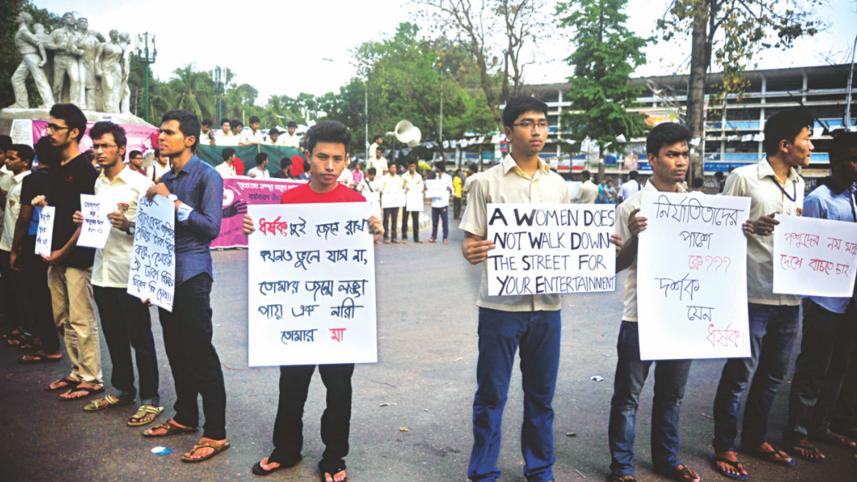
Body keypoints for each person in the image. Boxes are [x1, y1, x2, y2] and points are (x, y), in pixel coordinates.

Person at [241, 120, 383, 481]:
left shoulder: (356, 203)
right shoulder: (290, 200)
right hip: (298, 317)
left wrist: (374, 233)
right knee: (292, 387)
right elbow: (279, 253)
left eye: (337, 158)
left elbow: (360, 258)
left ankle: (334, 457)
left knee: (339, 391)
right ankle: (285, 450)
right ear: (308, 156)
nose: (330, 166)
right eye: (322, 157)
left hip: (339, 317)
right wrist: (256, 231)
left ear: (347, 159)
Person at [459, 97, 570, 482]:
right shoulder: (485, 183)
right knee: (491, 395)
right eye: (526, 123)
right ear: (508, 132)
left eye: (542, 123)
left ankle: (540, 468)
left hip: (548, 308)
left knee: (542, 398)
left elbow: (567, 240)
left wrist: (595, 247)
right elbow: (471, 242)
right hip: (499, 307)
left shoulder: (558, 185)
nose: (537, 131)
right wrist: (471, 250)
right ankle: (483, 470)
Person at [712, 107, 814, 480]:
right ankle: (724, 443)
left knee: (774, 374)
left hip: (790, 296)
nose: (811, 144)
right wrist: (750, 227)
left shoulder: (800, 182)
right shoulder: (744, 178)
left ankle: (755, 438)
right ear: (785, 144)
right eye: (806, 138)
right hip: (752, 294)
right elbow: (718, 230)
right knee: (740, 373)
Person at [608, 123, 702, 482]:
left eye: (684, 153)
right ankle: (622, 468)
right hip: (640, 316)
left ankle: (667, 459)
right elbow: (615, 264)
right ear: (652, 159)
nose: (681, 161)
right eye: (672, 154)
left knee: (672, 395)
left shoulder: (698, 205)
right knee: (628, 398)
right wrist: (635, 235)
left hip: (682, 315)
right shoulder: (632, 206)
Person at [140, 110, 229, 464]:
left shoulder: (207, 177)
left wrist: (172, 203)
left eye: (168, 133)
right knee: (175, 350)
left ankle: (216, 432)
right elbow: (158, 235)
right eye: (160, 132)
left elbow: (210, 227)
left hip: (192, 274)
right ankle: (186, 415)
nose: (161, 137)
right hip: (164, 276)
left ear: (189, 139)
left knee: (199, 351)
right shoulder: (165, 177)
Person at [71, 121, 163, 427]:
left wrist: (129, 226)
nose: (98, 151)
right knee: (114, 336)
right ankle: (123, 389)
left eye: (104, 146)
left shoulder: (140, 184)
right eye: (95, 146)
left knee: (140, 339)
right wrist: (84, 219)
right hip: (102, 272)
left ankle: (150, 400)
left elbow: (157, 233)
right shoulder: (98, 183)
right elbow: (98, 225)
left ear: (121, 149)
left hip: (131, 275)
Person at [781, 128, 857, 461]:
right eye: (854, 161)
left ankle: (822, 425)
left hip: (850, 300)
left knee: (840, 365)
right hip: (823, 302)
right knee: (813, 366)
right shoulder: (818, 199)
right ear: (837, 161)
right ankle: (796, 432)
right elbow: (806, 254)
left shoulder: (854, 196)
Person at [31, 103, 102, 401]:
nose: (49, 133)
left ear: (73, 132)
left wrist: (63, 250)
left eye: (55, 127)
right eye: (48, 127)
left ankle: (92, 377)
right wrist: (43, 207)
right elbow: (62, 211)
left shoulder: (86, 169)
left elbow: (88, 219)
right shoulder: (57, 168)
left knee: (81, 318)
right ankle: (76, 370)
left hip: (77, 256)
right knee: (62, 317)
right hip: (53, 254)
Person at [11, 138, 60, 363]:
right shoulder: (63, 177)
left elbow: (24, 217)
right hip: (59, 242)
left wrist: (15, 248)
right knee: (54, 295)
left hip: (35, 242)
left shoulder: (33, 180)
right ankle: (48, 341)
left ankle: (48, 346)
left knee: (38, 294)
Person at [0, 144, 32, 355]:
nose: (7, 161)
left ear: (25, 162)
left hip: (15, 245)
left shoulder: (25, 184)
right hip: (5, 242)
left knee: (19, 291)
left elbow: (22, 219)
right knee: (9, 289)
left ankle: (23, 330)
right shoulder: (13, 182)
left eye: (12, 159)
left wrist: (16, 249)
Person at [428, 162, 453, 245]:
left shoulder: (448, 177)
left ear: (439, 168)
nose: (435, 170)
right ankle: (433, 237)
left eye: (436, 168)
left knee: (444, 221)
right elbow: (428, 186)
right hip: (435, 203)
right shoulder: (434, 177)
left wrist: (449, 189)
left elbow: (452, 189)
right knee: (435, 221)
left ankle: (445, 237)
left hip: (443, 203)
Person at [380, 163, 404, 243]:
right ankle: (386, 236)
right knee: (386, 219)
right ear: (389, 168)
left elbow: (401, 189)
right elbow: (381, 189)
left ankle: (394, 237)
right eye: (392, 167)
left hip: (395, 202)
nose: (393, 169)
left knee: (395, 219)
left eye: (395, 167)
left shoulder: (399, 178)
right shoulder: (384, 178)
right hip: (387, 201)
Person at [401, 160, 423, 243]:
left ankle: (416, 238)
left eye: (413, 166)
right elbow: (401, 187)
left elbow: (421, 187)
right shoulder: (404, 176)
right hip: (406, 199)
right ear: (408, 166)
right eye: (410, 166)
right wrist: (404, 189)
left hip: (415, 199)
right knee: (405, 218)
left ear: (415, 167)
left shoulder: (419, 176)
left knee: (416, 219)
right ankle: (404, 236)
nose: (412, 168)